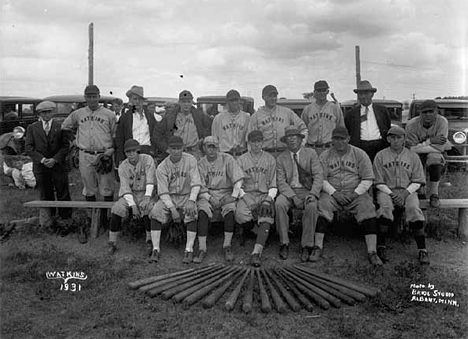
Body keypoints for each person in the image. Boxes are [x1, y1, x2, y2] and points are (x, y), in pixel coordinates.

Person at [313, 126, 383, 266]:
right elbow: (321, 179)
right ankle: (317, 247)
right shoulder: (325, 155)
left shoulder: (360, 154)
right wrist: (335, 193)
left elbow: (368, 178)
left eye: (342, 139)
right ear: (332, 140)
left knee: (367, 207)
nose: (339, 142)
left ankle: (372, 251)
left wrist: (355, 193)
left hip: (356, 192)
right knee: (322, 205)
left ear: (348, 139)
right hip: (333, 193)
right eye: (336, 139)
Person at [61, 85, 116, 238]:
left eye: (94, 96)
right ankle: (91, 219)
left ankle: (105, 220)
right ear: (85, 98)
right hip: (85, 154)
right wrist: (74, 141)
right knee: (89, 187)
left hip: (103, 155)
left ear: (99, 96)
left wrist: (111, 149)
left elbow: (115, 134)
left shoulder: (109, 114)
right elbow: (65, 127)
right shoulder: (78, 114)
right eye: (89, 96)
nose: (92, 99)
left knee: (106, 188)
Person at [149, 136, 211, 263]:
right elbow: (163, 192)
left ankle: (188, 250)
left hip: (187, 195)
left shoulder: (191, 160)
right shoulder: (162, 167)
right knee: (156, 211)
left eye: (178, 148)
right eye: (173, 148)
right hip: (169, 197)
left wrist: (192, 200)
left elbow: (196, 183)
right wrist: (172, 209)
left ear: (183, 148)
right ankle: (156, 249)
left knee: (191, 212)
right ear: (168, 149)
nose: (176, 151)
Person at [373, 126, 429, 265]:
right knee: (385, 208)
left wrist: (405, 193)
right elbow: (378, 181)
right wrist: (392, 194)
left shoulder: (412, 156)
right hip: (386, 190)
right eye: (392, 137)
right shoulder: (380, 155)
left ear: (404, 139)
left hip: (408, 190)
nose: (396, 141)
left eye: (399, 137)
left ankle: (422, 250)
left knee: (414, 209)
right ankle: (381, 246)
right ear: (388, 139)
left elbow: (418, 180)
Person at [275, 126, 323, 262]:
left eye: (295, 137)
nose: (292, 140)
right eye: (289, 137)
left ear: (301, 139)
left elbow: (318, 176)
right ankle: (284, 242)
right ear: (285, 141)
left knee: (312, 206)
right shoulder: (281, 158)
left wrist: (313, 193)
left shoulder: (311, 154)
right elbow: (281, 182)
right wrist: (293, 197)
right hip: (289, 191)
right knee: (279, 204)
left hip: (307, 190)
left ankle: (306, 245)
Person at [197, 136, 245, 262]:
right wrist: (209, 197)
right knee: (202, 211)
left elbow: (238, 179)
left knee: (229, 210)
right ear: (204, 148)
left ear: (218, 147)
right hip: (207, 193)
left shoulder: (227, 158)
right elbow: (199, 185)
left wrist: (233, 196)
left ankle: (227, 246)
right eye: (209, 147)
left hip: (225, 192)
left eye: (214, 147)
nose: (211, 150)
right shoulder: (201, 163)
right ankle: (202, 248)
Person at [107, 139, 157, 255]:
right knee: (117, 208)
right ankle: (112, 242)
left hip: (146, 191)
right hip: (130, 193)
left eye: (134, 151)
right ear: (125, 153)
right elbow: (125, 188)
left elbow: (151, 180)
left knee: (147, 207)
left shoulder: (147, 159)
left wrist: (147, 197)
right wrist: (133, 205)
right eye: (128, 152)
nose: (131, 154)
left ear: (138, 151)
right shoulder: (123, 166)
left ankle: (149, 240)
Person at [236, 130, 277, 267]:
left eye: (259, 141)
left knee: (266, 214)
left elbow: (273, 184)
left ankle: (256, 252)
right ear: (249, 143)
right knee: (241, 215)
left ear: (263, 142)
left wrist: (268, 199)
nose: (256, 144)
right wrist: (245, 197)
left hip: (264, 194)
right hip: (247, 193)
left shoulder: (270, 159)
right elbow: (237, 184)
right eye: (253, 141)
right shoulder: (241, 159)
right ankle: (257, 231)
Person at [25, 101, 72, 220]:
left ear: (53, 112)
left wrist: (55, 159)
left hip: (58, 166)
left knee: (62, 192)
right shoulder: (32, 128)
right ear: (39, 114)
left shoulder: (60, 126)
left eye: (49, 112)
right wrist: (42, 159)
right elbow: (29, 147)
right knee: (46, 193)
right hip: (41, 167)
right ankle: (49, 219)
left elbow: (66, 145)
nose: (46, 115)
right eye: (43, 112)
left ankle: (65, 219)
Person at [405, 99, 451, 208]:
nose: (428, 114)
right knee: (414, 158)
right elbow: (411, 149)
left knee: (434, 158)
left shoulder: (442, 122)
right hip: (416, 154)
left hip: (435, 153)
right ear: (420, 113)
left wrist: (422, 145)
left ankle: (434, 194)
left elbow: (439, 149)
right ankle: (419, 191)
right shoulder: (411, 124)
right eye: (425, 112)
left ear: (436, 111)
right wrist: (430, 141)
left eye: (431, 111)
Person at [248, 85, 308, 157]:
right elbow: (250, 139)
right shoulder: (256, 116)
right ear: (263, 97)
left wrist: (300, 146)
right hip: (265, 154)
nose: (273, 98)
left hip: (285, 153)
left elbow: (303, 128)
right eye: (270, 96)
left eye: (275, 96)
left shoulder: (287, 112)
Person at [154, 90, 212, 160]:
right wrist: (166, 148)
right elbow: (157, 133)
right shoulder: (171, 117)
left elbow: (211, 127)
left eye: (188, 102)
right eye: (183, 102)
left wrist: (203, 138)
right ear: (179, 102)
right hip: (176, 152)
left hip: (194, 152)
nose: (186, 104)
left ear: (192, 103)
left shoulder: (199, 115)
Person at [344, 80, 391, 162]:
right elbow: (348, 131)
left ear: (372, 94)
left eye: (366, 93)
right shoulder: (351, 114)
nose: (363, 96)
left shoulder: (382, 111)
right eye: (361, 94)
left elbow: (388, 127)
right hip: (360, 148)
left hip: (379, 147)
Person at [115, 86, 158, 166]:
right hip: (131, 153)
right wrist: (120, 158)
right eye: (135, 99)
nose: (137, 102)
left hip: (147, 152)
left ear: (143, 101)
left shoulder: (150, 117)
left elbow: (155, 136)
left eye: (140, 99)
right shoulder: (125, 117)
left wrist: (154, 154)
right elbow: (119, 139)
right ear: (130, 101)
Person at [301, 80, 345, 155]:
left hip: (330, 148)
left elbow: (341, 130)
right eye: (319, 90)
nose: (321, 93)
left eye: (324, 90)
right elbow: (302, 130)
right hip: (311, 149)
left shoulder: (335, 108)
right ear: (314, 92)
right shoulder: (307, 109)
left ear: (327, 91)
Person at [211, 89, 250, 157]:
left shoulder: (246, 117)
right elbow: (214, 140)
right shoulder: (218, 118)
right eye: (231, 100)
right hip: (224, 155)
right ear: (227, 102)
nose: (234, 102)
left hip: (241, 155)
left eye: (236, 100)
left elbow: (249, 140)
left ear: (239, 101)